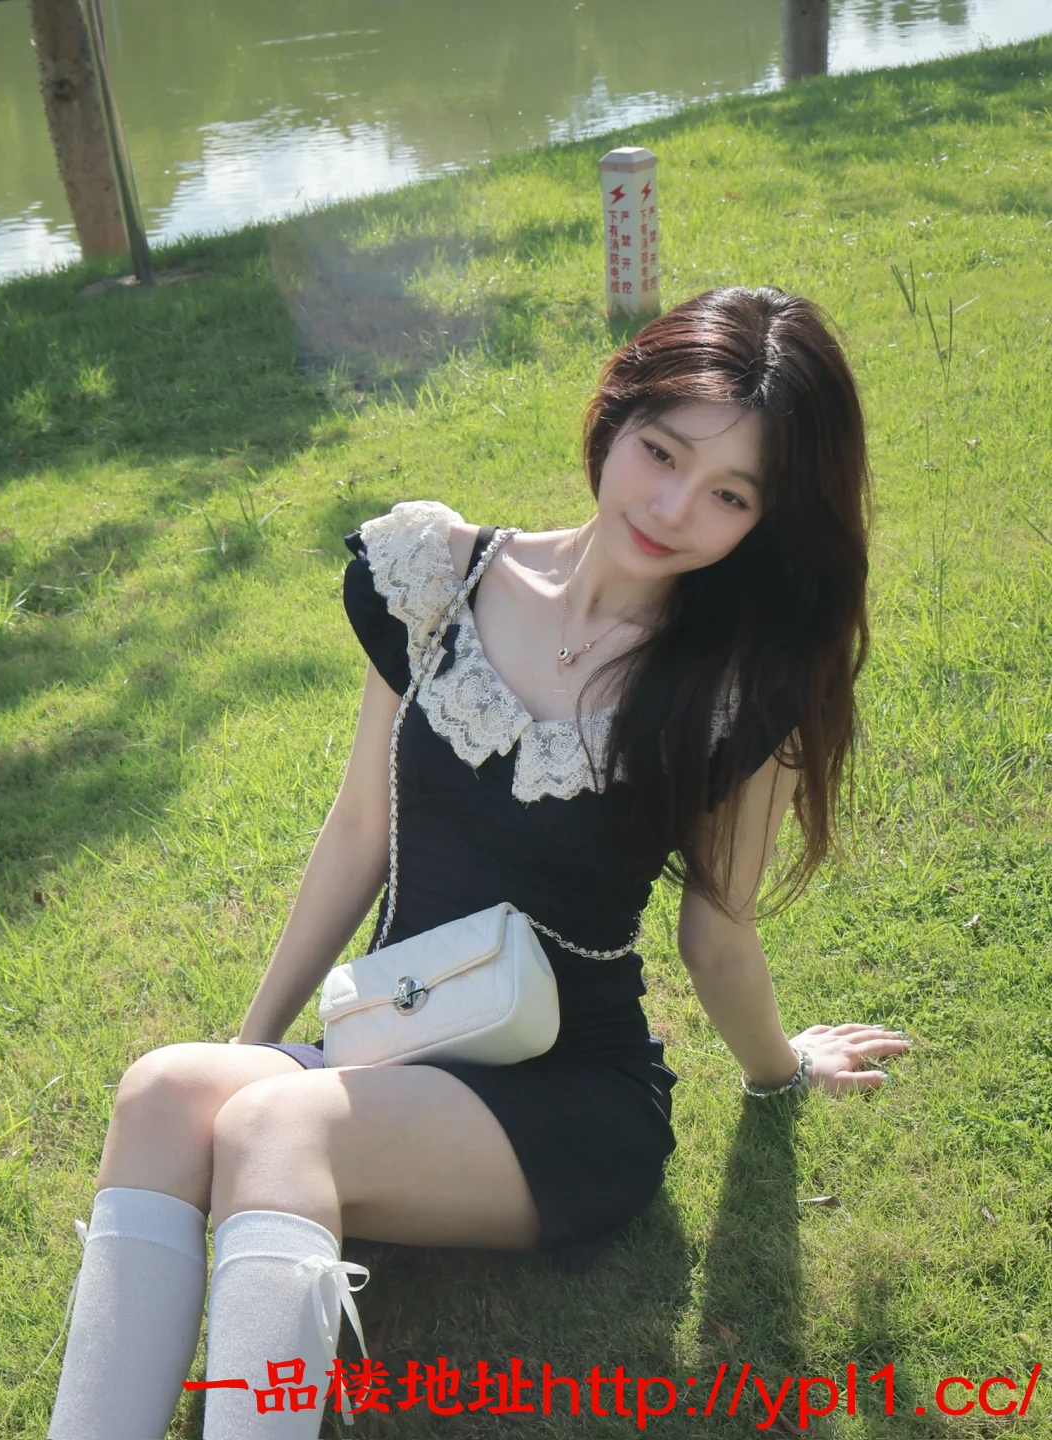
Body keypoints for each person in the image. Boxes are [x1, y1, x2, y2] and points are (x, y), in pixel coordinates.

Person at [45, 285, 911, 1439]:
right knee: (166, 1091)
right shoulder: (437, 578)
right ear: (615, 413)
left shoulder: (737, 685)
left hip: (571, 1093)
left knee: (272, 1130)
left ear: (764, 521)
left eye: (730, 494)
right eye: (662, 452)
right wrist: (253, 1050)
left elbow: (718, 932)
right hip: (395, 1038)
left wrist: (780, 1069)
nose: (672, 507)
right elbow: (362, 829)